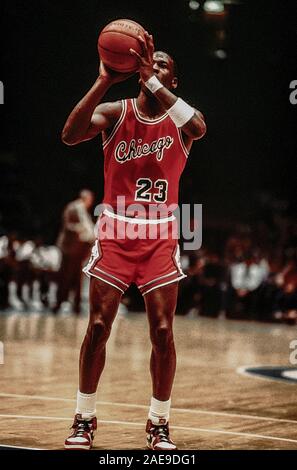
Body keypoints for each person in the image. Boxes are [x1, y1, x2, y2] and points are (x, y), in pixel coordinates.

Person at [62, 31, 206, 450]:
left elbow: (199, 126)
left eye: (162, 66)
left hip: (160, 233)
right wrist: (104, 80)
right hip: (117, 230)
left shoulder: (183, 121)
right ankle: (84, 418)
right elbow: (70, 136)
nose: (153, 67)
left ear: (172, 80)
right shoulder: (116, 110)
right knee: (99, 326)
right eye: (148, 63)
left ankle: (159, 423)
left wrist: (152, 80)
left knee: (162, 332)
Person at [53, 190, 95, 315]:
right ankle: (59, 303)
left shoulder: (82, 210)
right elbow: (67, 225)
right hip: (69, 249)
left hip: (79, 250)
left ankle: (76, 306)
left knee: (77, 278)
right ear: (86, 199)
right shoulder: (73, 208)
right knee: (66, 277)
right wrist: (80, 230)